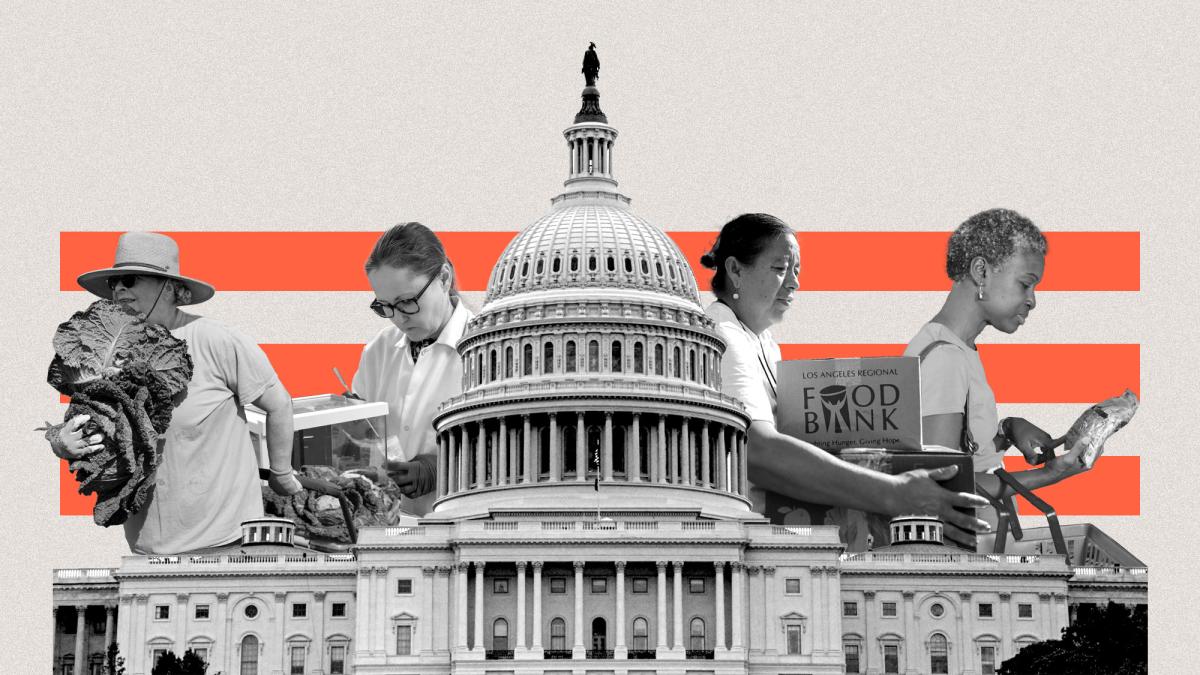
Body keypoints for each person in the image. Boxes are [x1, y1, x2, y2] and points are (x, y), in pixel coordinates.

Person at [700, 213, 990, 546]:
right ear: (736, 270)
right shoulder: (722, 335)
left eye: (796, 271)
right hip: (756, 548)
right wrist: (892, 493)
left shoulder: (762, 342)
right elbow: (756, 450)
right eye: (780, 269)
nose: (793, 284)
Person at [51, 231, 302, 554]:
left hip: (225, 543)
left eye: (129, 279)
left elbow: (279, 404)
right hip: (147, 549)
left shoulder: (216, 341)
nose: (120, 290)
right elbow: (85, 423)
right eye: (115, 283)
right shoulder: (108, 355)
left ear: (170, 287)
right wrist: (62, 442)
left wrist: (281, 473)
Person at [904, 208, 1091, 529]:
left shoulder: (956, 349)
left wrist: (1008, 430)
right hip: (967, 556)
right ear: (982, 271)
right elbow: (943, 486)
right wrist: (1049, 474)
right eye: (1025, 284)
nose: (1032, 300)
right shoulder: (944, 358)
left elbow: (962, 452)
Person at [350, 222, 474, 516]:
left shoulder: (488, 350)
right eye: (385, 306)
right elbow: (363, 441)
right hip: (387, 523)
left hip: (458, 522)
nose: (398, 318)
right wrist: (351, 425)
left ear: (444, 278)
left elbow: (512, 447)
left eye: (407, 302)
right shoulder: (379, 350)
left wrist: (438, 468)